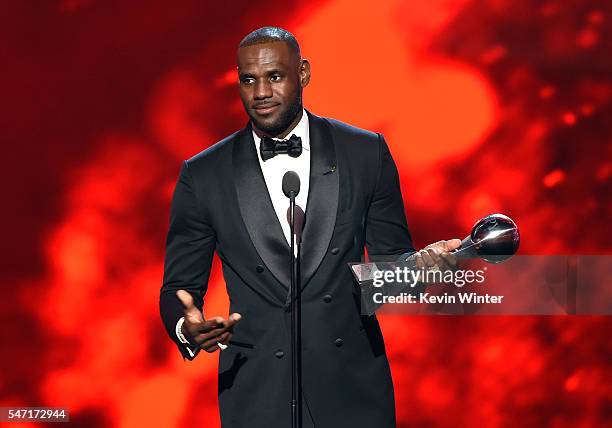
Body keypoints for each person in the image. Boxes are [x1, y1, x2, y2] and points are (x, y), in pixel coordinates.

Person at [160, 26, 460, 428]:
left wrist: (419, 268)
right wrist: (186, 327)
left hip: (352, 391)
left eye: (274, 77)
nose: (261, 92)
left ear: (303, 73)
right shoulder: (204, 175)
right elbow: (178, 288)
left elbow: (387, 270)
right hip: (257, 395)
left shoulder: (364, 153)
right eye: (249, 80)